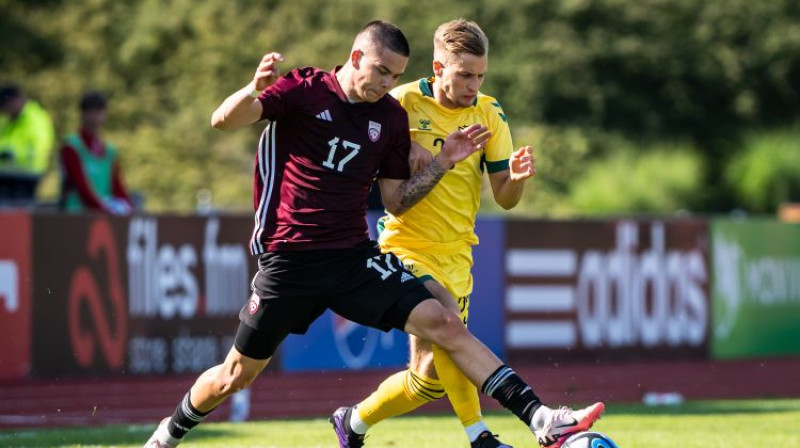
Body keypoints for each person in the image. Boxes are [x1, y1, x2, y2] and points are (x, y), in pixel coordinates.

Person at [144, 20, 603, 448]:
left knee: (445, 323)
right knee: (235, 376)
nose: (386, 83)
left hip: (353, 258)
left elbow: (396, 201)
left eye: (394, 75)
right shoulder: (304, 90)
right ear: (355, 56)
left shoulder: (389, 117)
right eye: (381, 71)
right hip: (290, 260)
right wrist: (251, 90)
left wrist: (444, 161)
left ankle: (541, 419)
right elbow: (223, 120)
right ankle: (167, 433)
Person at [330, 19, 549, 448]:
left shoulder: (489, 111)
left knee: (427, 381)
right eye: (465, 74)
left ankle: (353, 421)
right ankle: (482, 436)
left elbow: (505, 198)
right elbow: (358, 141)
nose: (474, 85)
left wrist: (517, 179)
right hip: (404, 245)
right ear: (437, 67)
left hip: (457, 255)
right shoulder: (401, 102)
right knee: (448, 320)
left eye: (480, 75)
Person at [59, 91, 133, 214]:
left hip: (102, 216)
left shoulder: (109, 151)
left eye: (99, 112)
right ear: (83, 115)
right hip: (77, 216)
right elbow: (81, 186)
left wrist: (128, 209)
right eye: (91, 112)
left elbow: (117, 187)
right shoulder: (72, 147)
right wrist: (103, 209)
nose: (95, 118)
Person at [0, 84, 55, 202]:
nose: (5, 110)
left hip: (27, 176)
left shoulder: (35, 118)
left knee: (20, 212)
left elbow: (39, 146)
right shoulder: (7, 120)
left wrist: (12, 154)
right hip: (6, 175)